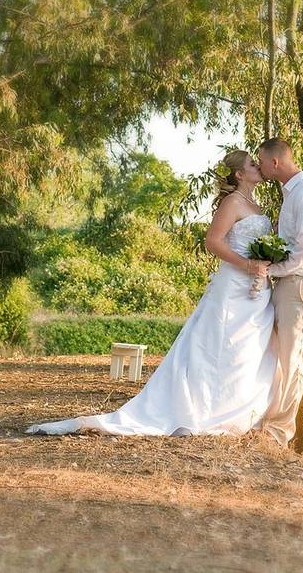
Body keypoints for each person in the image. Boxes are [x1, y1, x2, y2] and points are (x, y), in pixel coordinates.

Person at [24, 150, 279, 436]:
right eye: (251, 164)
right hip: (233, 286)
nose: (258, 167)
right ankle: (205, 411)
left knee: (246, 351)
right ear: (239, 175)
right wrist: (247, 265)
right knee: (217, 349)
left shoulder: (256, 205)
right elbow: (213, 242)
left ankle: (237, 410)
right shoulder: (232, 203)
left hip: (256, 290)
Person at [255, 137, 303, 447]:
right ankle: (267, 426)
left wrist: (272, 271)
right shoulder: (293, 194)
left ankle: (277, 435)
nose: (259, 166)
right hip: (289, 286)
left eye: (261, 161)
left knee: (293, 360)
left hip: (302, 287)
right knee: (278, 358)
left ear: (274, 163)